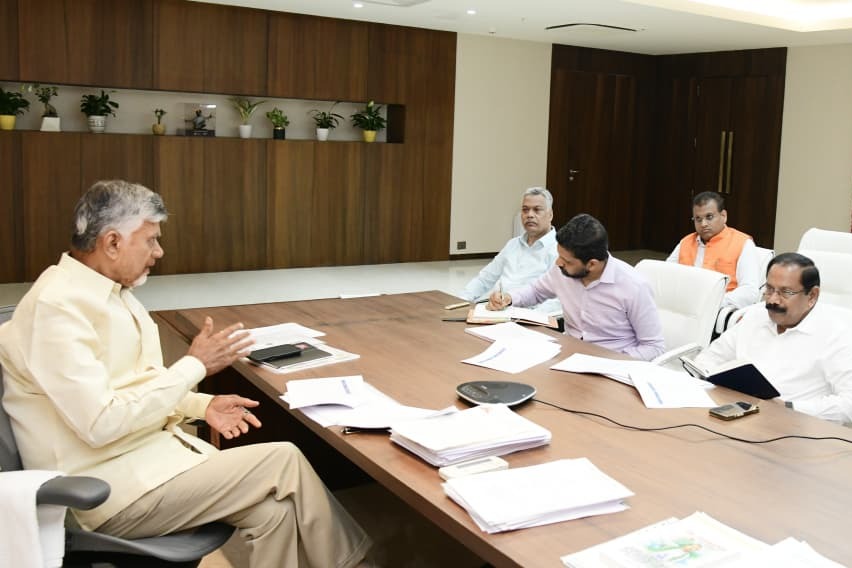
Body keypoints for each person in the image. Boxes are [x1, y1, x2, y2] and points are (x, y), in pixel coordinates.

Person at [0, 180, 372, 568]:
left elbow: (134, 388)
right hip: (105, 489)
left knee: (273, 513)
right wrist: (195, 365)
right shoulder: (56, 309)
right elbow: (101, 422)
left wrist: (201, 405)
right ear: (111, 243)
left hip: (146, 460)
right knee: (283, 459)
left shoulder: (112, 295)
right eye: (151, 240)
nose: (158, 252)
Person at [694, 252, 852, 423]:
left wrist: (789, 407)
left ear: (812, 296)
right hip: (737, 414)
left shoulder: (836, 335)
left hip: (796, 425)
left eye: (786, 292)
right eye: (769, 289)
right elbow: (709, 359)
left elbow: (848, 403)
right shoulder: (756, 315)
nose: (773, 300)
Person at [488, 213, 665, 361]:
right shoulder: (561, 271)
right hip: (569, 355)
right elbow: (535, 291)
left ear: (592, 264)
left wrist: (609, 361)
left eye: (567, 261)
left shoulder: (634, 286)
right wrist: (509, 298)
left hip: (612, 364)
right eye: (559, 256)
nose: (558, 263)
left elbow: (654, 347)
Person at [459, 187, 560, 313]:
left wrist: (528, 316)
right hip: (497, 310)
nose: (529, 215)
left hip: (528, 316)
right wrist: (461, 300)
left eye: (537, 210)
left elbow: (558, 300)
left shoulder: (559, 250)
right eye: (525, 210)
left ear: (550, 215)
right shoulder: (513, 244)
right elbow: (485, 278)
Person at [667, 191, 760, 309]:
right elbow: (666, 276)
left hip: (720, 310)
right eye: (698, 219)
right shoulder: (685, 242)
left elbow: (750, 291)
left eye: (709, 217)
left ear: (724, 216)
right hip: (682, 306)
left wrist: (712, 303)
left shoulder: (743, 243)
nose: (703, 224)